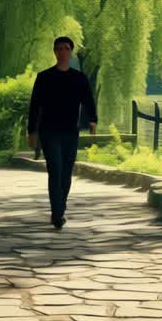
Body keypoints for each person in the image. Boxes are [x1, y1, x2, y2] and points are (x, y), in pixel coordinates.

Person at [26, 36, 97, 228]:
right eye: (59, 48)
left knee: (66, 173)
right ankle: (56, 214)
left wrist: (93, 120)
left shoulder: (79, 78)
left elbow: (88, 100)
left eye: (66, 48)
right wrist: (32, 131)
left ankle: (60, 208)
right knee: (55, 170)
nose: (63, 51)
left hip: (70, 132)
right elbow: (35, 106)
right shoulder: (44, 77)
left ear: (70, 51)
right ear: (55, 52)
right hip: (49, 132)